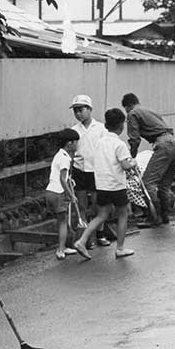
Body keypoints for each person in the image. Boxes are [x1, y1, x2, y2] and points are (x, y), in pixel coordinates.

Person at [74, 109, 137, 260]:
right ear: (121, 126)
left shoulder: (99, 142)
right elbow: (126, 165)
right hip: (116, 185)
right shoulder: (119, 144)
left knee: (101, 215)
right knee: (123, 214)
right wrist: (133, 161)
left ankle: (82, 241)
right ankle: (120, 248)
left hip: (101, 184)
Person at [122, 93, 175, 225]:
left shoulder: (132, 113)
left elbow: (134, 138)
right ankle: (164, 216)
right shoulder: (149, 111)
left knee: (148, 183)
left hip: (164, 144)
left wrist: (131, 156)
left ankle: (153, 217)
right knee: (164, 184)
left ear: (127, 106)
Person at [69, 95, 111, 248]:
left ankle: (100, 234)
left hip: (96, 171)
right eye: (75, 111)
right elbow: (71, 152)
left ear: (90, 109)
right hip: (80, 170)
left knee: (98, 204)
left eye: (81, 110)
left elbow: (106, 148)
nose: (78, 114)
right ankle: (86, 238)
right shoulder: (74, 130)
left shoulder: (101, 129)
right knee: (81, 205)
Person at [45, 129, 79, 260]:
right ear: (69, 143)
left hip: (50, 191)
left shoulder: (58, 155)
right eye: (76, 142)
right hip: (59, 193)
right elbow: (62, 179)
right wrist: (71, 195)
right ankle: (60, 249)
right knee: (63, 222)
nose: (77, 145)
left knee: (60, 221)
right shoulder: (65, 159)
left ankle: (63, 246)